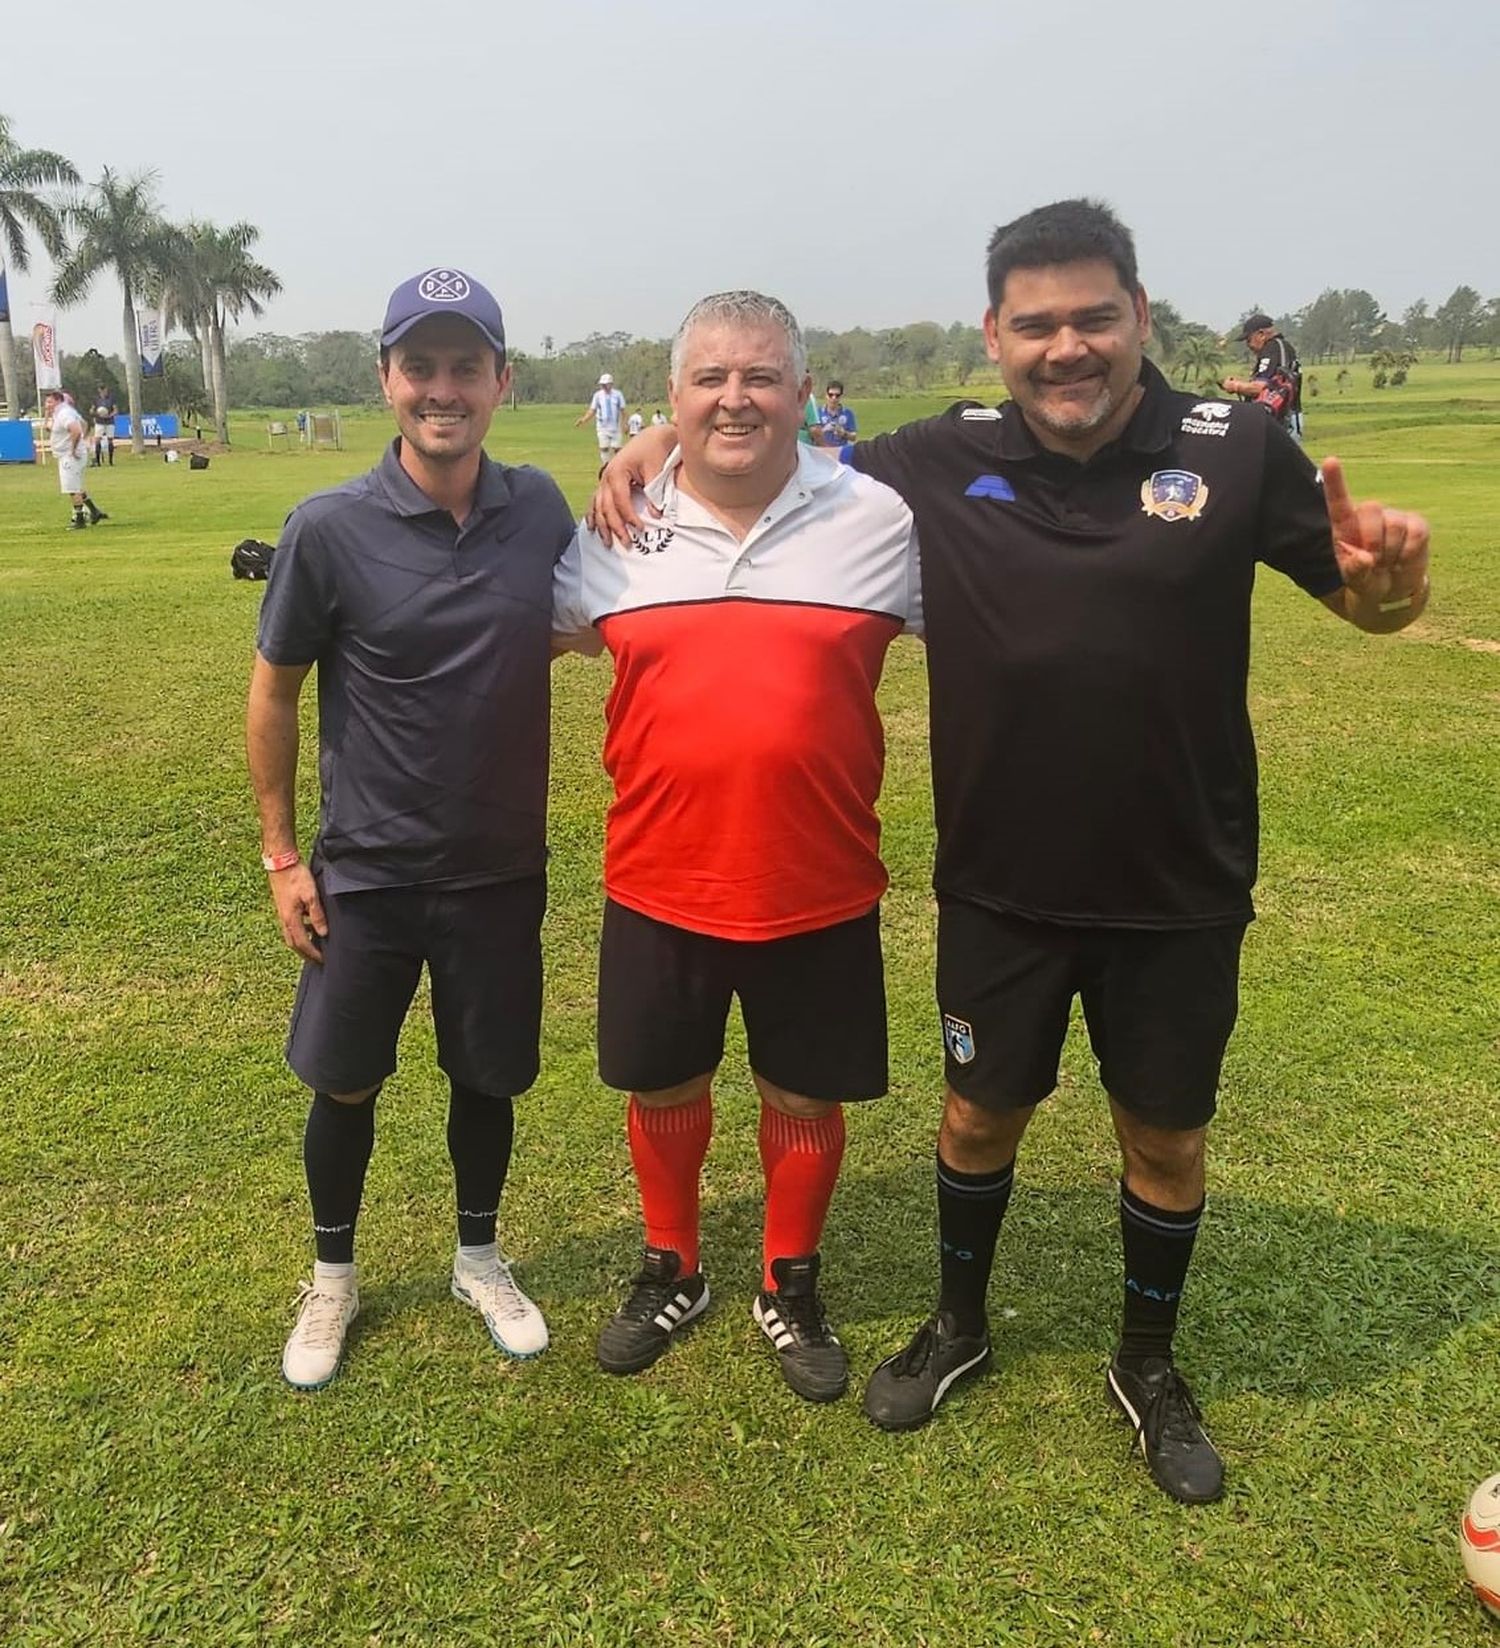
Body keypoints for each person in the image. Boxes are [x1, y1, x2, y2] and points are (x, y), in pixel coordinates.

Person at [589, 201, 1431, 1501]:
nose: (1067, 346)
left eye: (1095, 317)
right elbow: (759, 449)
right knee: (980, 1117)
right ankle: (957, 1323)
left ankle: (1146, 1365)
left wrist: (1392, 595)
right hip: (1002, 886)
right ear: (997, 337)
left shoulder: (1239, 444)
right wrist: (658, 431)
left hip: (1181, 882)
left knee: (1164, 1138)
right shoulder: (932, 459)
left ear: (1139, 318)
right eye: (1035, 324)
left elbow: (1365, 600)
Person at [553, 290, 921, 1403]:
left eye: (761, 376)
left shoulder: (880, 522)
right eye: (709, 379)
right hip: (660, 875)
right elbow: (520, 646)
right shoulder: (613, 531)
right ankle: (671, 1264)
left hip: (819, 880)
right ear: (671, 398)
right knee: (665, 1077)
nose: (735, 397)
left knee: (805, 1094)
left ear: (803, 394)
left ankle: (786, 1278)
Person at [246, 266, 574, 1390]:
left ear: (500, 380)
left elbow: (597, 604)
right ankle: (332, 1276)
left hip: (496, 870)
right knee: (345, 1082)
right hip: (367, 874)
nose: (444, 387)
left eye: (465, 366)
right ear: (386, 380)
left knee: (486, 1078)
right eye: (420, 365)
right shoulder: (328, 528)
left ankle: (478, 1255)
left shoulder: (538, 510)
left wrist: (637, 455)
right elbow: (275, 691)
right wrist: (283, 855)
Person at [1223, 312, 1304, 440]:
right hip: (1290, 418)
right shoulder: (1283, 347)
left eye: (1248, 340)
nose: (1248, 345)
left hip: (1281, 422)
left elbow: (1260, 388)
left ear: (1261, 334)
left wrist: (1235, 386)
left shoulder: (1271, 349)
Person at [43, 389, 106, 529]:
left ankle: (79, 519)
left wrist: (73, 449)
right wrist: (47, 415)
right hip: (67, 454)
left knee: (72, 488)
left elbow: (77, 430)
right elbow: (82, 424)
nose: (47, 404)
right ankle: (94, 511)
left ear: (59, 400)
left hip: (70, 455)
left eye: (49, 401)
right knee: (76, 486)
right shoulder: (60, 413)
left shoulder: (64, 413)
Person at [576, 372, 626, 471]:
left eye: (605, 384)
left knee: (618, 449)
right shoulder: (598, 396)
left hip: (615, 427)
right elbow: (592, 410)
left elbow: (623, 410)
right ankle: (606, 467)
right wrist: (583, 420)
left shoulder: (618, 395)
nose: (603, 386)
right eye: (602, 385)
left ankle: (618, 468)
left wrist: (625, 424)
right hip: (602, 427)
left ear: (611, 384)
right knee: (604, 447)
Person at [817, 380, 857, 446]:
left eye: (837, 395)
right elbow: (811, 436)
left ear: (841, 396)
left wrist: (844, 433)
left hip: (841, 451)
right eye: (831, 395)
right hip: (823, 451)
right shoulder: (817, 412)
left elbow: (854, 437)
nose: (834, 398)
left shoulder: (848, 413)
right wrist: (824, 429)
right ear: (826, 395)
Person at [90, 385, 116, 466]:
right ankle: (98, 461)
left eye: (104, 390)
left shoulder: (111, 398)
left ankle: (110, 461)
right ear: (99, 390)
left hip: (109, 421)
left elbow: (115, 410)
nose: (103, 392)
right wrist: (96, 413)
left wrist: (109, 415)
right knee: (97, 440)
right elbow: (91, 410)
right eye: (101, 390)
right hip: (99, 421)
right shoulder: (96, 399)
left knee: (110, 440)